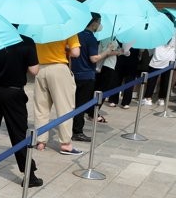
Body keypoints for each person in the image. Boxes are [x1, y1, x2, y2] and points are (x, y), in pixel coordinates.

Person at [0, 32, 42, 187]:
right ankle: (29, 175)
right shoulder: (26, 41)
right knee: (19, 133)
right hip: (14, 92)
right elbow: (34, 71)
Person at [34, 34, 84, 155]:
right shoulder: (68, 30)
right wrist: (67, 49)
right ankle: (66, 144)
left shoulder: (39, 29)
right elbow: (76, 53)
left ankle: (40, 141)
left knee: (41, 108)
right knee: (64, 107)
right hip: (59, 68)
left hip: (41, 68)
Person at [71, 14, 117, 143]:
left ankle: (70, 128)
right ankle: (77, 131)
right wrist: (107, 51)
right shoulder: (90, 38)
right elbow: (94, 58)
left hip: (75, 73)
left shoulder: (76, 35)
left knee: (72, 104)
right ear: (94, 23)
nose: (99, 25)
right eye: (99, 22)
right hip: (86, 75)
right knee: (81, 105)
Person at [144, 26, 176, 106]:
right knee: (166, 80)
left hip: (157, 57)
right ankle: (161, 99)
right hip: (170, 58)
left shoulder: (157, 29)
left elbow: (151, 43)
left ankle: (148, 98)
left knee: (152, 79)